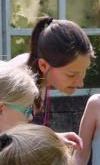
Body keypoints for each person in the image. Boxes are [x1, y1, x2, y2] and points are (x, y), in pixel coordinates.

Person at [11, 15, 93, 148]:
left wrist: (54, 137)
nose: (80, 84)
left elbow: (21, 132)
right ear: (43, 65)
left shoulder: (41, 75)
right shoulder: (18, 79)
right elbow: (5, 136)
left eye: (83, 73)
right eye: (72, 75)